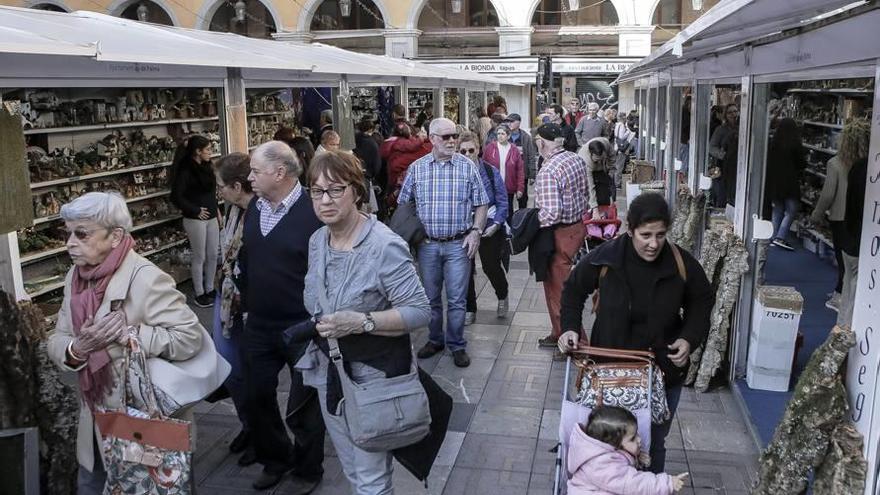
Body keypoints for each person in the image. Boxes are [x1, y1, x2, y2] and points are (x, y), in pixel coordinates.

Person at [47, 192, 207, 494]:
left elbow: (189, 338)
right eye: (66, 233)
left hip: (144, 426)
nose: (69, 242)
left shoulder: (146, 279)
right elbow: (58, 338)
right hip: (96, 425)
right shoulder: (75, 277)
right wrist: (77, 349)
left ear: (116, 236)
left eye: (81, 233)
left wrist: (132, 335)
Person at [294, 151, 432, 494]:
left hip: (374, 380)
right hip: (331, 374)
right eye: (316, 191)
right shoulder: (318, 241)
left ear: (357, 191)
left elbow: (419, 311)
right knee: (355, 471)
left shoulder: (384, 246)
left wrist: (360, 322)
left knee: (371, 479)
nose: (325, 200)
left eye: (335, 190)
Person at [558, 193, 713, 473]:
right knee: (607, 442)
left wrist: (689, 339)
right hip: (609, 372)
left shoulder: (680, 263)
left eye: (661, 235)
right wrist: (569, 328)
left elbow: (702, 301)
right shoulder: (606, 258)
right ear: (630, 230)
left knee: (652, 442)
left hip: (663, 371)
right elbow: (573, 290)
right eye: (646, 235)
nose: (654, 244)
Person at [239, 141, 325, 491]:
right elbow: (249, 260)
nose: (249, 178)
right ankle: (275, 458)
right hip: (259, 323)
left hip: (302, 326)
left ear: (280, 173)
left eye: (255, 171)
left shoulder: (314, 211)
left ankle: (308, 469)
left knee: (305, 404)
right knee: (255, 394)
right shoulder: (256, 209)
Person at [399, 118, 489, 368]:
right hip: (427, 245)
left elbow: (482, 202)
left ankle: (457, 344)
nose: (452, 141)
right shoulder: (417, 168)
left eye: (454, 137)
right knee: (430, 298)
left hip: (458, 244)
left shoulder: (467, 167)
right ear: (432, 139)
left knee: (457, 299)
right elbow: (404, 204)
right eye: (446, 137)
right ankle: (435, 339)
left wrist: (476, 232)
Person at [211, 152, 256, 466]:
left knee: (248, 372)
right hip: (225, 299)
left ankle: (260, 432)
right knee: (230, 369)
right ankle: (249, 425)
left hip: (249, 305)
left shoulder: (259, 214)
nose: (219, 191)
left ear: (238, 186)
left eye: (221, 185)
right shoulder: (231, 210)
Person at [532, 123, 588, 349]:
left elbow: (551, 213)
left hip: (559, 233)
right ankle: (558, 333)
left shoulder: (548, 170)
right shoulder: (575, 159)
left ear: (541, 142)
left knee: (559, 290)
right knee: (557, 287)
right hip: (576, 226)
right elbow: (585, 193)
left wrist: (529, 225)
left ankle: (576, 340)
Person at [811, 119, 870, 312]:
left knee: (844, 261)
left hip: (840, 218)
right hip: (864, 219)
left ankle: (842, 297)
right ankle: (845, 294)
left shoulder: (835, 164)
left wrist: (817, 214)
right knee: (856, 263)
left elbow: (828, 194)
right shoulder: (870, 165)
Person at [567, 406, 689, 495]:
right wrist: (666, 483)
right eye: (633, 438)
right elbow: (633, 483)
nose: (639, 440)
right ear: (614, 445)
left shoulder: (603, 451)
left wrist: (637, 456)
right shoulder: (601, 464)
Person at [459, 133, 510, 323]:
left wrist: (497, 224)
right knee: (466, 268)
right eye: (462, 151)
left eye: (471, 150)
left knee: (491, 266)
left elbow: (503, 201)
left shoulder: (490, 171)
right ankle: (470, 308)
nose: (467, 154)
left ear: (478, 149)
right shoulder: (456, 172)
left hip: (488, 224)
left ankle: (502, 294)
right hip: (464, 226)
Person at [170, 134, 219, 308]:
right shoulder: (185, 170)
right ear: (197, 151)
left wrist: (217, 211)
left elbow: (211, 193)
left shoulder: (208, 167)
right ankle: (199, 292)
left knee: (213, 254)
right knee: (200, 256)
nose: (210, 153)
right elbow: (176, 196)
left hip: (212, 216)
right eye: (207, 150)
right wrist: (195, 210)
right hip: (195, 219)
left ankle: (210, 287)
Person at [765, 118, 806, 251]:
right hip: (790, 182)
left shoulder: (773, 143)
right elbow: (802, 164)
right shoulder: (795, 144)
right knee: (791, 210)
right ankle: (780, 236)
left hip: (775, 182)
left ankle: (772, 236)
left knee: (777, 209)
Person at [839, 156, 868, 327]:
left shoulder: (858, 165)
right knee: (855, 297)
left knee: (847, 290)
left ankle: (839, 332)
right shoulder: (870, 170)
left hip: (849, 235)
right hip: (861, 242)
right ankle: (845, 337)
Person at [482, 124, 525, 223]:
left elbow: (520, 170)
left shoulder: (514, 150)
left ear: (508, 136)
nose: (500, 136)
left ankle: (508, 232)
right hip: (493, 186)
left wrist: (520, 188)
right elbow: (483, 166)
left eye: (503, 134)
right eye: (498, 134)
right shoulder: (490, 148)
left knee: (508, 210)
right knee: (493, 210)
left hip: (508, 187)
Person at [380, 122, 432, 201]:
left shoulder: (395, 144)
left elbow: (395, 164)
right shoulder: (421, 146)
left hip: (398, 182)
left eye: (422, 131)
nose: (419, 133)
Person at [708, 103, 739, 206]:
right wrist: (724, 155)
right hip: (723, 168)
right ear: (726, 115)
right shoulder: (720, 130)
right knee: (723, 195)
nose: (733, 114)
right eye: (730, 112)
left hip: (738, 168)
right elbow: (712, 147)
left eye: (735, 111)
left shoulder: (743, 129)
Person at [505, 113, 538, 210]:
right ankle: (509, 222)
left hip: (522, 173)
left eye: (512, 121)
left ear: (518, 123)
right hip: (508, 173)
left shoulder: (526, 137)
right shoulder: (504, 135)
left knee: (523, 199)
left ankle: (522, 221)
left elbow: (531, 156)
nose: (509, 124)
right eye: (508, 121)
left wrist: (532, 174)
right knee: (508, 199)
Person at [579, 137, 616, 213]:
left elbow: (612, 156)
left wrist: (610, 170)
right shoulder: (585, 161)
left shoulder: (606, 143)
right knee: (593, 195)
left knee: (606, 193)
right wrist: (594, 207)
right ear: (591, 154)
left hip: (604, 169)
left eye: (601, 158)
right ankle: (593, 211)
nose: (599, 161)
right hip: (591, 172)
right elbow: (590, 187)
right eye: (596, 160)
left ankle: (608, 210)